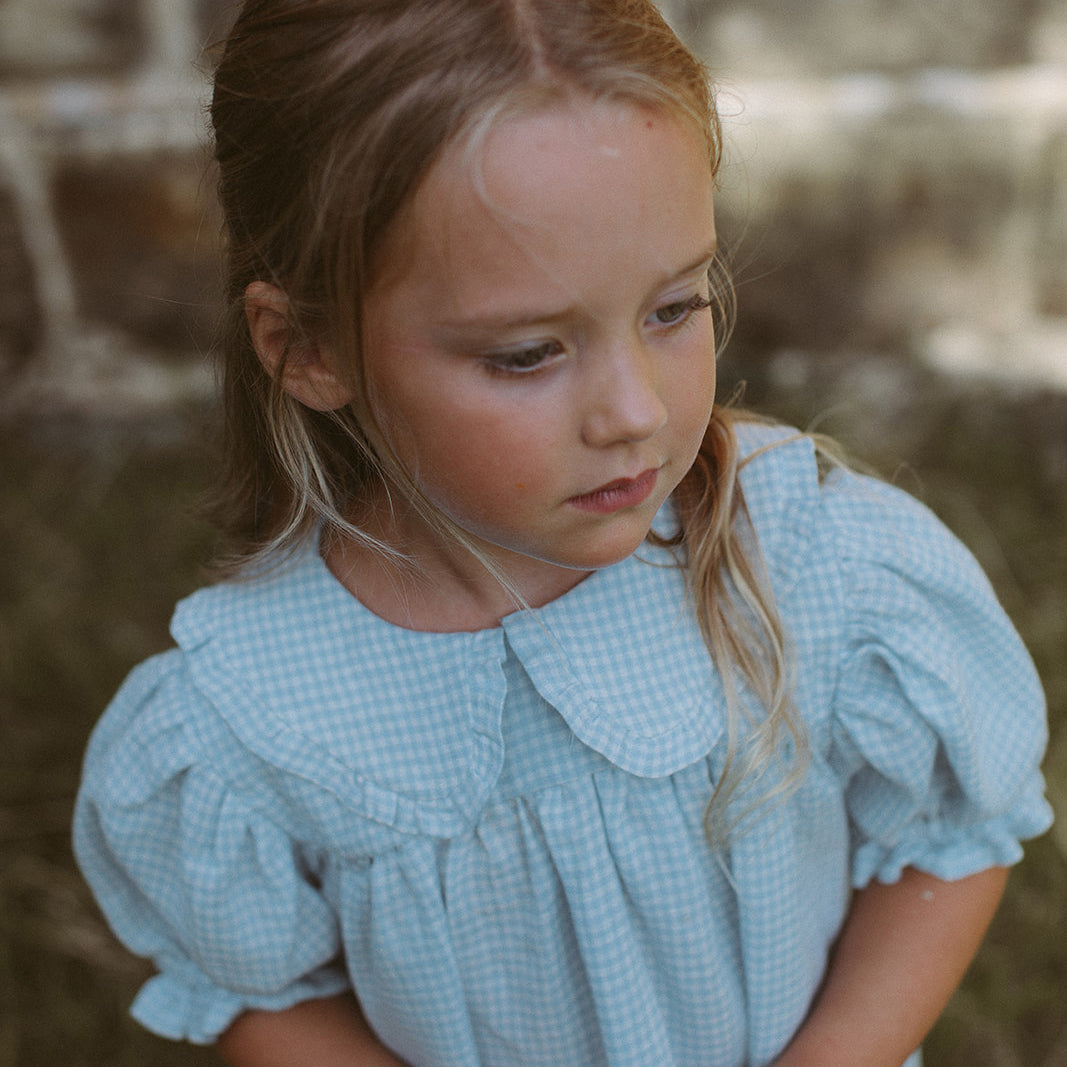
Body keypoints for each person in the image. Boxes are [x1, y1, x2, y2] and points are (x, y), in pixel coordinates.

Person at [73, 1, 1052, 1065]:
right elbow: (262, 996)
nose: (632, 411)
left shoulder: (809, 562)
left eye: (673, 307)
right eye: (528, 352)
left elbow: (944, 843)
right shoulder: (251, 715)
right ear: (309, 345)